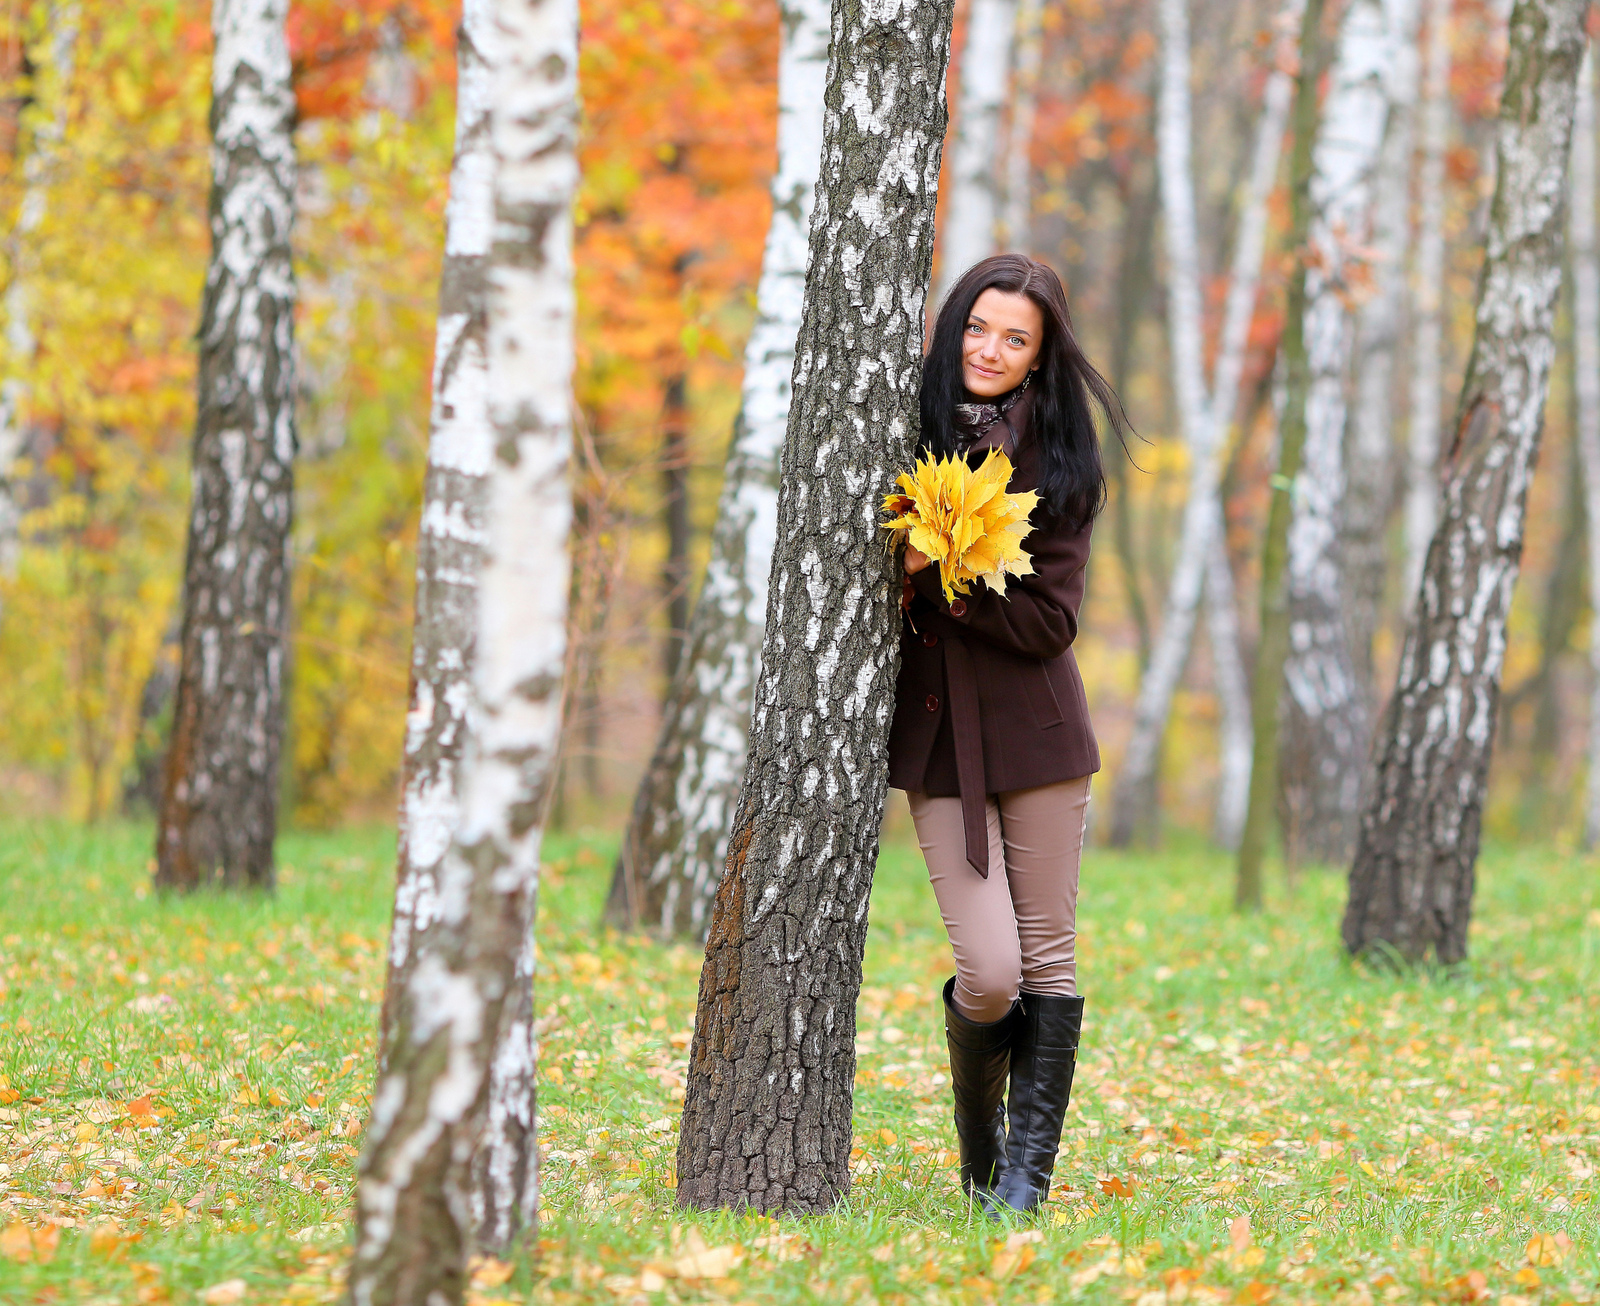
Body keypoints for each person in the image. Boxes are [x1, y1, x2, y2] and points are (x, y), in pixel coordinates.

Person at [888, 253, 1125, 1214]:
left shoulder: (1062, 462)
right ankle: (980, 1142)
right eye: (979, 328)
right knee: (988, 976)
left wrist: (942, 569)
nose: (992, 350)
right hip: (940, 738)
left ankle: (1021, 1180)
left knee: (1048, 957)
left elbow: (1047, 624)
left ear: (1039, 358)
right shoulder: (894, 430)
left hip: (1037, 736)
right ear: (955, 330)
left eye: (1015, 339)